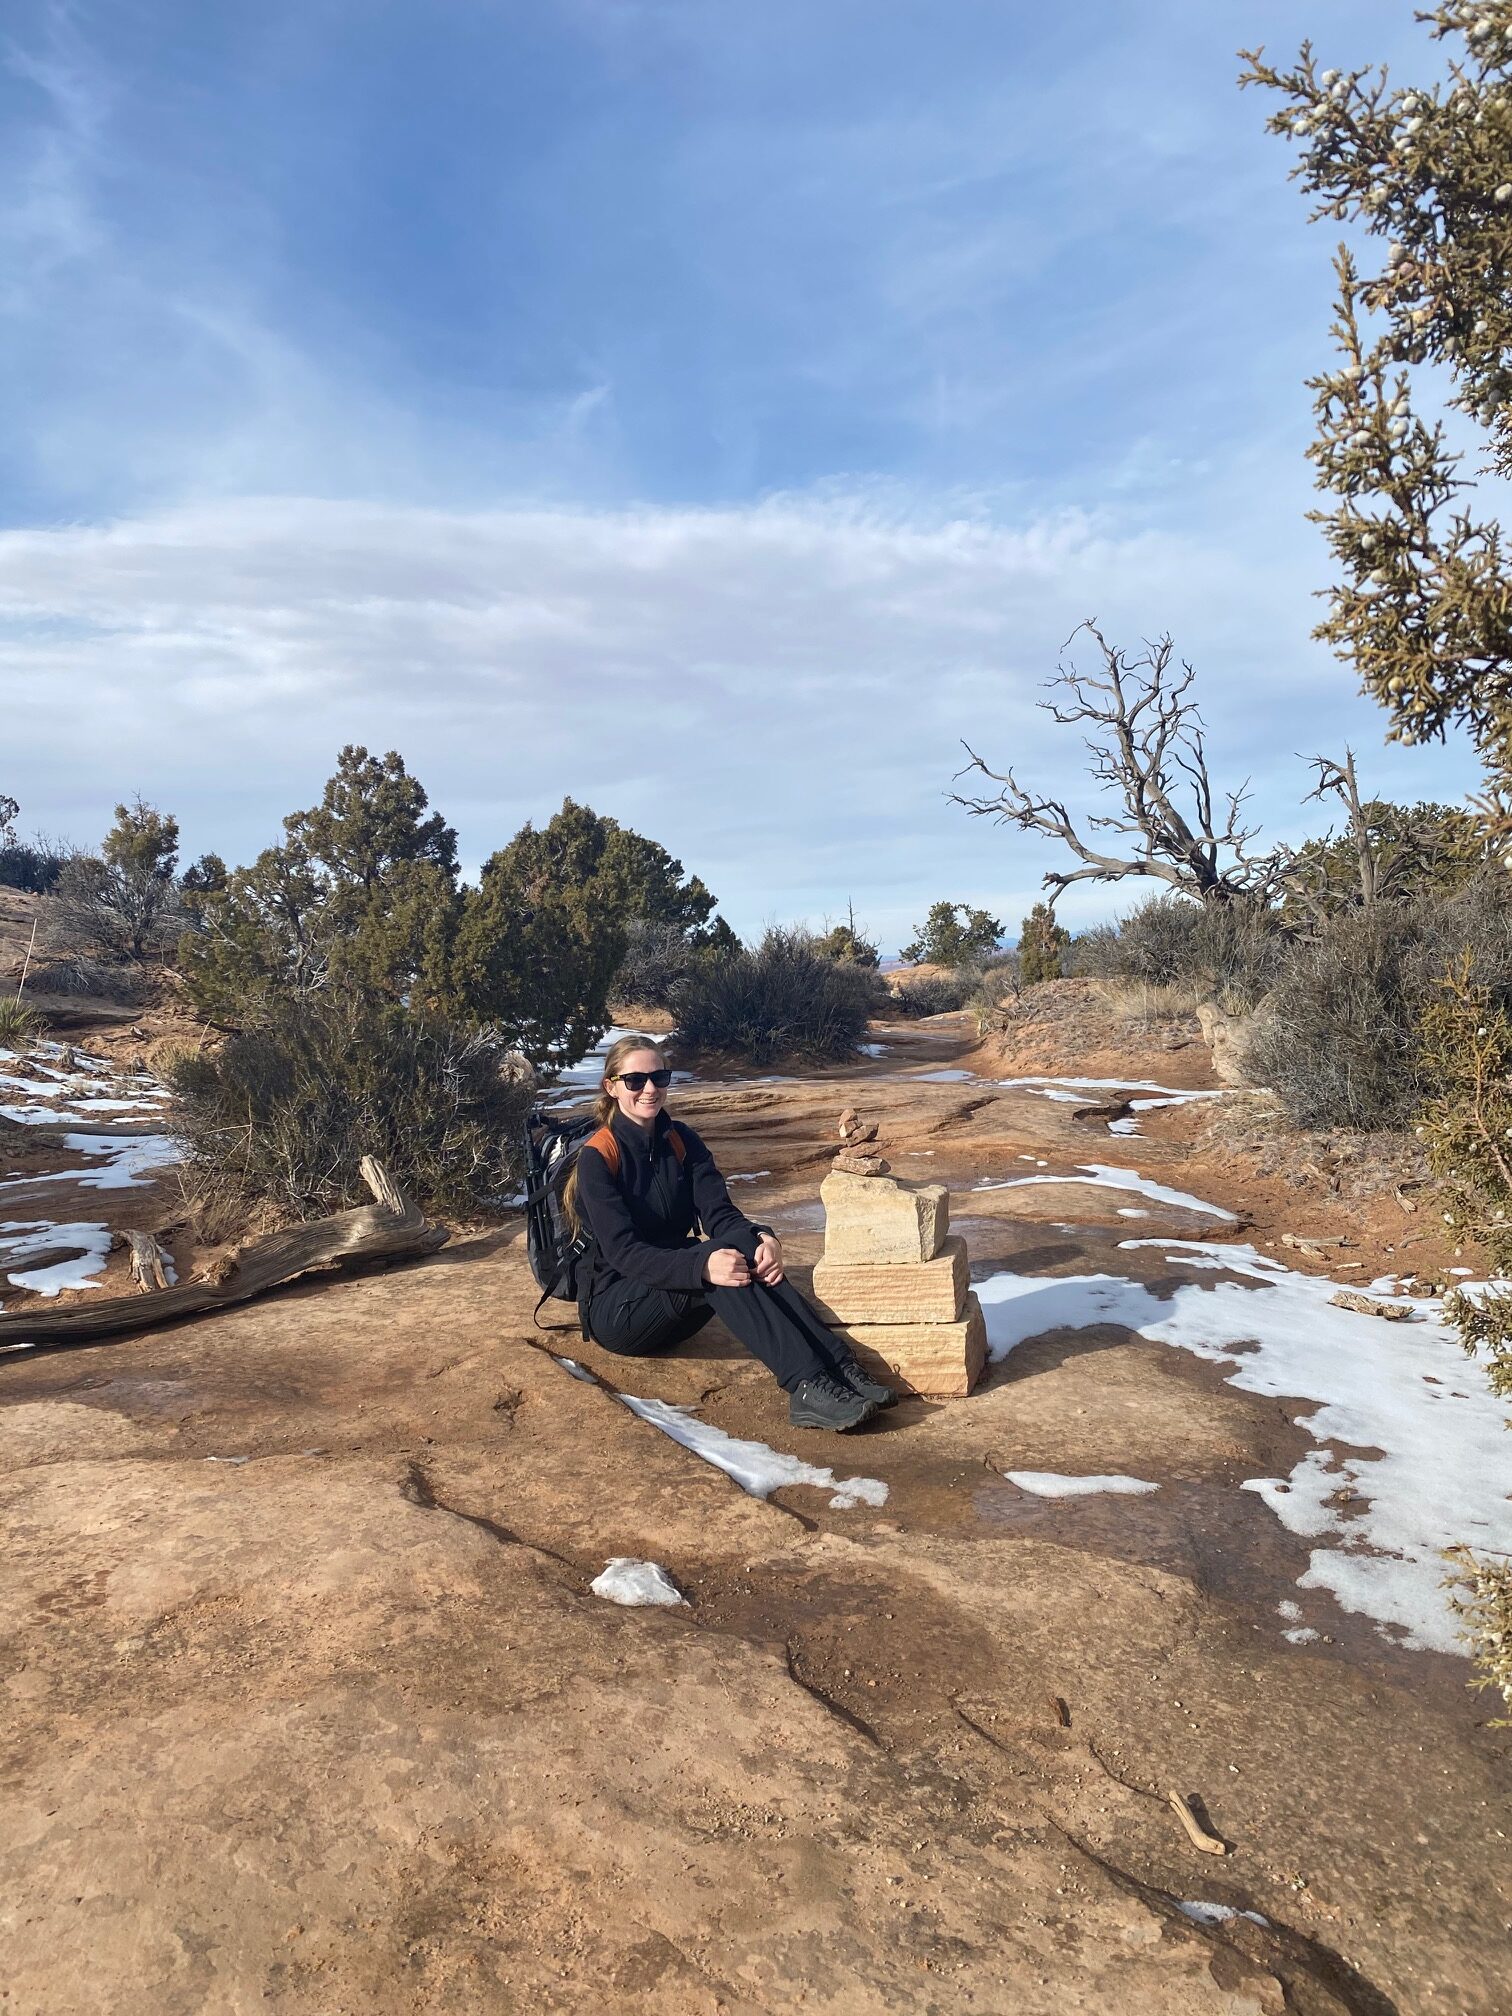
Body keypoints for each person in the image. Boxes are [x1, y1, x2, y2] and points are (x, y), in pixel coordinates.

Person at [563, 1033, 896, 1431]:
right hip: (619, 1311)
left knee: (737, 1246)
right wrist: (701, 1268)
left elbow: (719, 1213)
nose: (650, 1089)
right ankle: (806, 1385)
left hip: (673, 1297)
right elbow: (625, 1254)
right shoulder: (598, 1158)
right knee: (715, 1265)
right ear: (612, 1087)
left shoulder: (682, 1141)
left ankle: (839, 1368)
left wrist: (762, 1239)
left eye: (659, 1077)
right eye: (635, 1080)